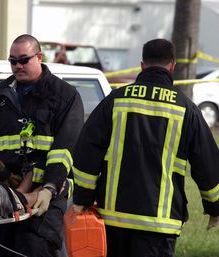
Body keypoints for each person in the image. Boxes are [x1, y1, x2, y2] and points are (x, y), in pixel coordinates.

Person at [72, 38, 219, 257]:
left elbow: (87, 150)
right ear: (172, 66)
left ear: (142, 65)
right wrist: (214, 208)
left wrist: (82, 199)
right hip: (159, 224)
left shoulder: (116, 100)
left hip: (115, 219)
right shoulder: (186, 108)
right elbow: (207, 163)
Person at [0, 34, 84, 256]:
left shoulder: (64, 96)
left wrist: (49, 188)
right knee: (3, 251)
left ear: (39, 57)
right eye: (12, 61)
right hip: (6, 196)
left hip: (46, 198)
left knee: (36, 247)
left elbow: (64, 150)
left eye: (23, 59)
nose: (17, 66)